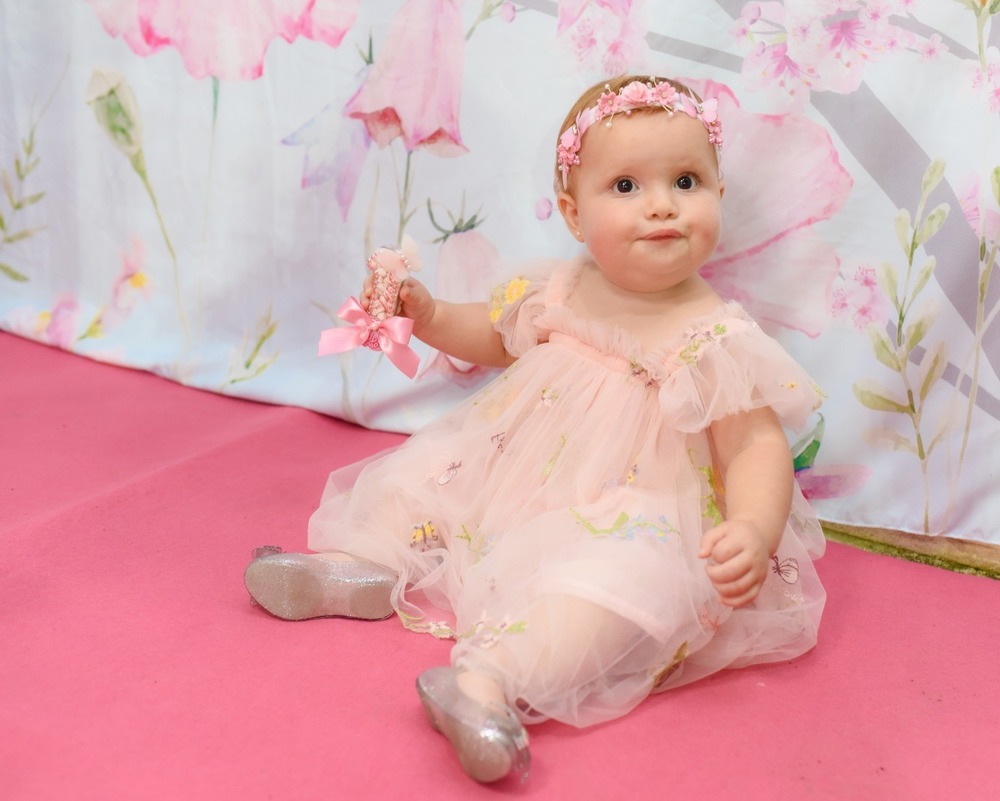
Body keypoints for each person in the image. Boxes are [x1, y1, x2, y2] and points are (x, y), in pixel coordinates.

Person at [244, 74, 827, 785]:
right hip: (509, 469)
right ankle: (360, 563)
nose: (662, 205)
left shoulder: (714, 338)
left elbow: (755, 444)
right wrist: (430, 316)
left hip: (630, 510)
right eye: (626, 187)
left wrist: (754, 528)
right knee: (424, 474)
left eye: (686, 181)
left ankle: (486, 682)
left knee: (617, 587)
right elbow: (493, 335)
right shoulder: (560, 288)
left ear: (719, 193)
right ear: (573, 214)